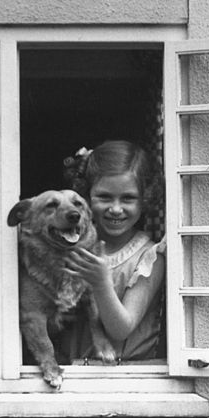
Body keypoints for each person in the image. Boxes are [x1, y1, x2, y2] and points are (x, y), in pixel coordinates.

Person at [62, 140, 165, 363]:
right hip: (76, 372)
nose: (116, 209)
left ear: (145, 199)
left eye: (128, 198)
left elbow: (122, 328)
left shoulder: (150, 257)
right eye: (105, 197)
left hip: (131, 377)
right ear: (87, 196)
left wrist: (100, 283)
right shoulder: (75, 246)